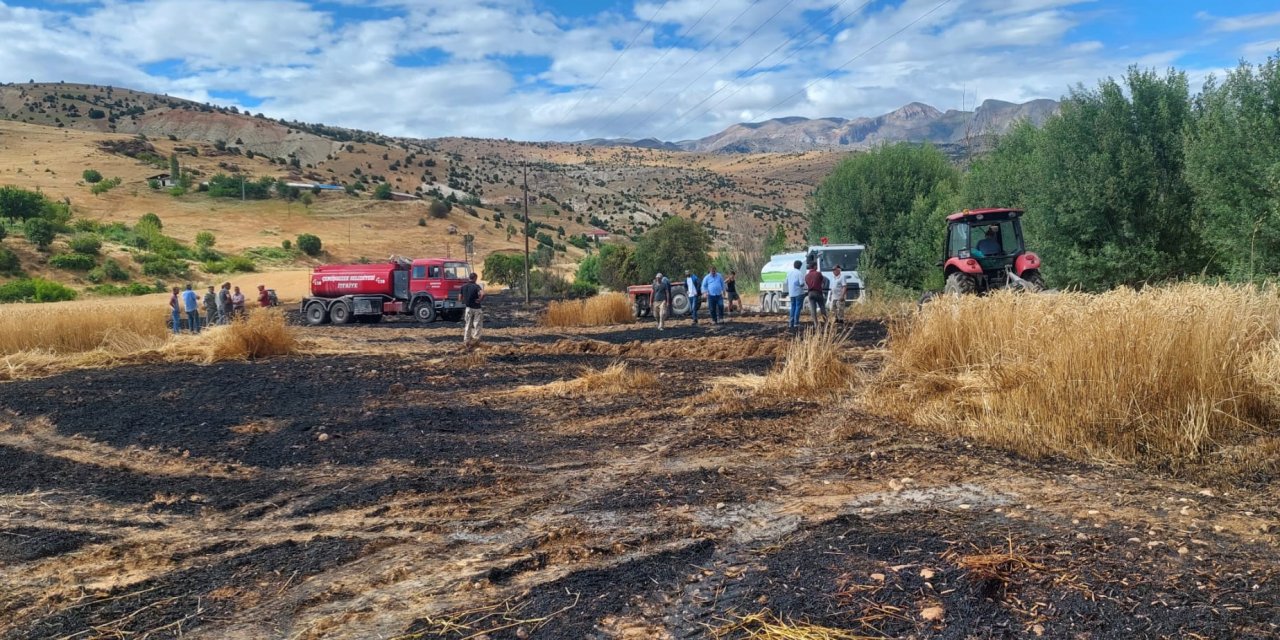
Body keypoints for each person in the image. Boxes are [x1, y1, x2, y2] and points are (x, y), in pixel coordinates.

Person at [458, 273, 485, 348]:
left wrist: (465, 300)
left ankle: (466, 341)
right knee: (477, 325)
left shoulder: (463, 287)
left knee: (468, 324)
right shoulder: (476, 286)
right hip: (477, 308)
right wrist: (479, 300)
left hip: (468, 308)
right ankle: (475, 341)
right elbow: (483, 294)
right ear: (475, 278)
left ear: (469, 278)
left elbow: (460, 298)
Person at [804, 262, 828, 328]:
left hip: (810, 293)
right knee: (822, 307)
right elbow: (823, 281)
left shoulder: (807, 276)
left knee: (813, 309)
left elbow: (807, 283)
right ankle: (826, 322)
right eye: (816, 266)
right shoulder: (818, 273)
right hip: (818, 292)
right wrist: (822, 287)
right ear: (814, 266)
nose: (817, 267)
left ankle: (815, 324)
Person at [785, 259, 805, 329]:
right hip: (798, 293)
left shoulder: (789, 273)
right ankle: (796, 322)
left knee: (792, 307)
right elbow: (802, 284)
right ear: (800, 266)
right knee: (798, 307)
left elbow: (786, 282)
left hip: (791, 293)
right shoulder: (799, 273)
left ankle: (791, 322)